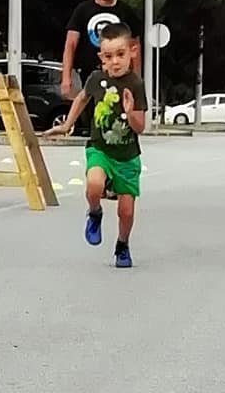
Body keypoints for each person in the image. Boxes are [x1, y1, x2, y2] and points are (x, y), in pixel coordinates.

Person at [45, 22, 148, 268]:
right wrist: (66, 124)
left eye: (120, 54)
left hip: (127, 156)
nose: (115, 62)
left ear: (132, 52)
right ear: (101, 57)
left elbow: (140, 127)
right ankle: (95, 212)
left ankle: (122, 244)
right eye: (109, 56)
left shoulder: (135, 85)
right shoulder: (96, 79)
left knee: (126, 211)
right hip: (99, 148)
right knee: (94, 184)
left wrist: (129, 112)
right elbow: (82, 98)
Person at [62, 0, 143, 134]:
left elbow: (135, 46)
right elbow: (70, 44)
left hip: (121, 75)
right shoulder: (83, 10)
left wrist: (136, 77)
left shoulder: (126, 12)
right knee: (94, 115)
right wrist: (66, 77)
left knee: (117, 115)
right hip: (91, 73)